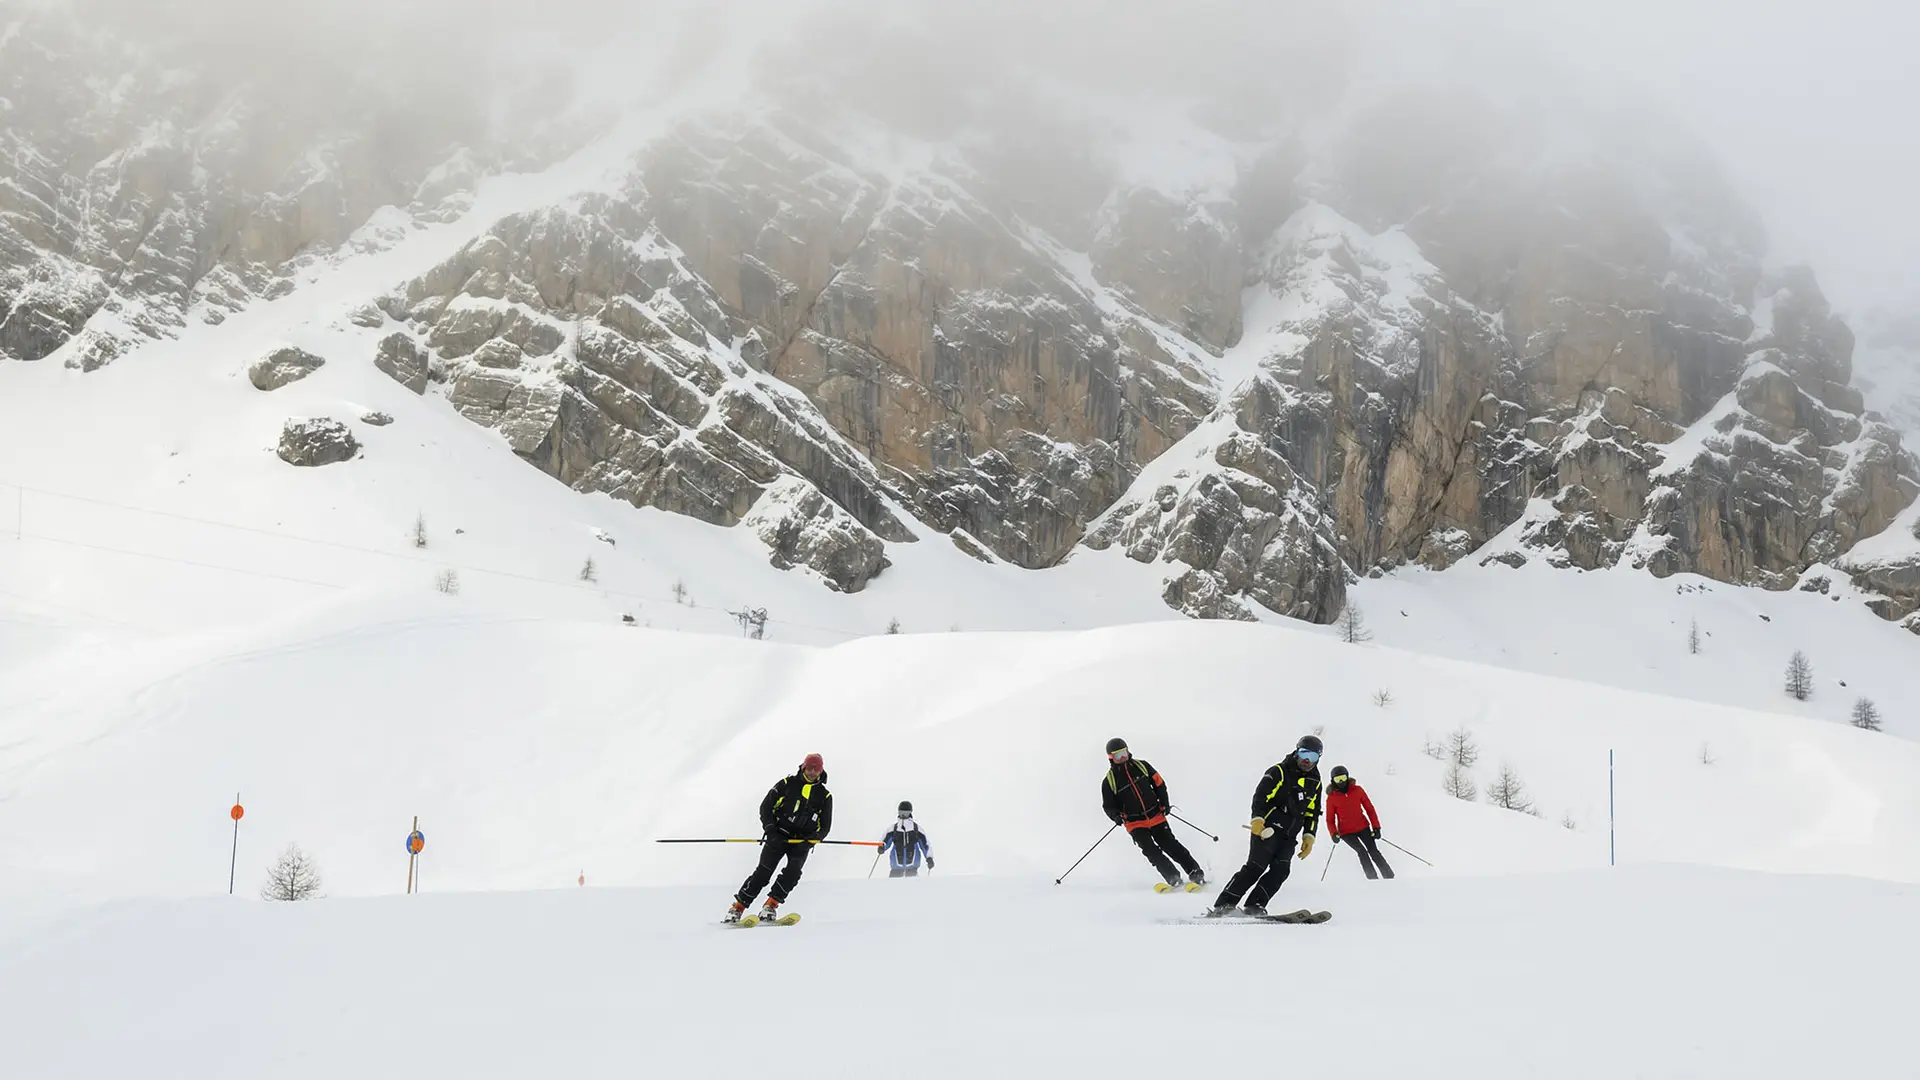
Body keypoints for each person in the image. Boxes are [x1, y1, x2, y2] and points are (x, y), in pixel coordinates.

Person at [1208, 734, 1324, 916]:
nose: (1307, 760)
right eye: (1304, 754)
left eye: (1313, 757)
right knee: (1255, 866)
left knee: (1281, 871)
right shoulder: (1279, 771)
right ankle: (1223, 905)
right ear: (1296, 752)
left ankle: (1254, 905)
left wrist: (1309, 836)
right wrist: (1257, 820)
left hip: (1289, 836)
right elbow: (1260, 797)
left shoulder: (1315, 781)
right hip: (1267, 830)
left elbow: (1312, 812)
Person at [725, 753, 833, 923]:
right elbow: (765, 807)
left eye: (816, 769)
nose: (812, 772)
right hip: (778, 837)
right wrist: (770, 830)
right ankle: (737, 908)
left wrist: (809, 842)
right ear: (803, 767)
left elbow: (825, 827)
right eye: (810, 768)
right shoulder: (787, 784)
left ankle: (770, 905)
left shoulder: (825, 796)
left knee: (793, 873)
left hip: (801, 842)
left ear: (821, 770)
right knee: (763, 873)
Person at [1101, 737, 1206, 891]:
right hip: (1135, 823)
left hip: (1155, 815)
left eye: (1124, 753)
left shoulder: (1142, 766)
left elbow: (1159, 784)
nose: (1123, 757)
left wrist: (1164, 803)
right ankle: (1173, 878)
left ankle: (1196, 874)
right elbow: (1108, 806)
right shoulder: (1109, 781)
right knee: (1152, 852)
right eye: (1118, 755)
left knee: (1171, 845)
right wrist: (1116, 816)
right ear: (1111, 758)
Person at [1326, 765, 1394, 880]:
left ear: (1347, 777)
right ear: (1333, 781)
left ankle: (1389, 877)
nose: (1341, 781)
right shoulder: (1331, 798)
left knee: (1373, 851)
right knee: (1361, 851)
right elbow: (1330, 819)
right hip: (1346, 833)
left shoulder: (1357, 790)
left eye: (1343, 777)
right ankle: (1372, 879)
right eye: (1338, 779)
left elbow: (1370, 809)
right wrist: (1333, 833)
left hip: (1363, 827)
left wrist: (1376, 827)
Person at [879, 801, 933, 877]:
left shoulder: (916, 829)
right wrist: (882, 847)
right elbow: (885, 841)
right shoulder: (894, 829)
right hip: (896, 868)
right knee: (892, 888)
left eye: (906, 813)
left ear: (910, 813)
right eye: (901, 813)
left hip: (912, 868)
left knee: (913, 887)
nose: (903, 815)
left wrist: (929, 858)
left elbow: (925, 845)